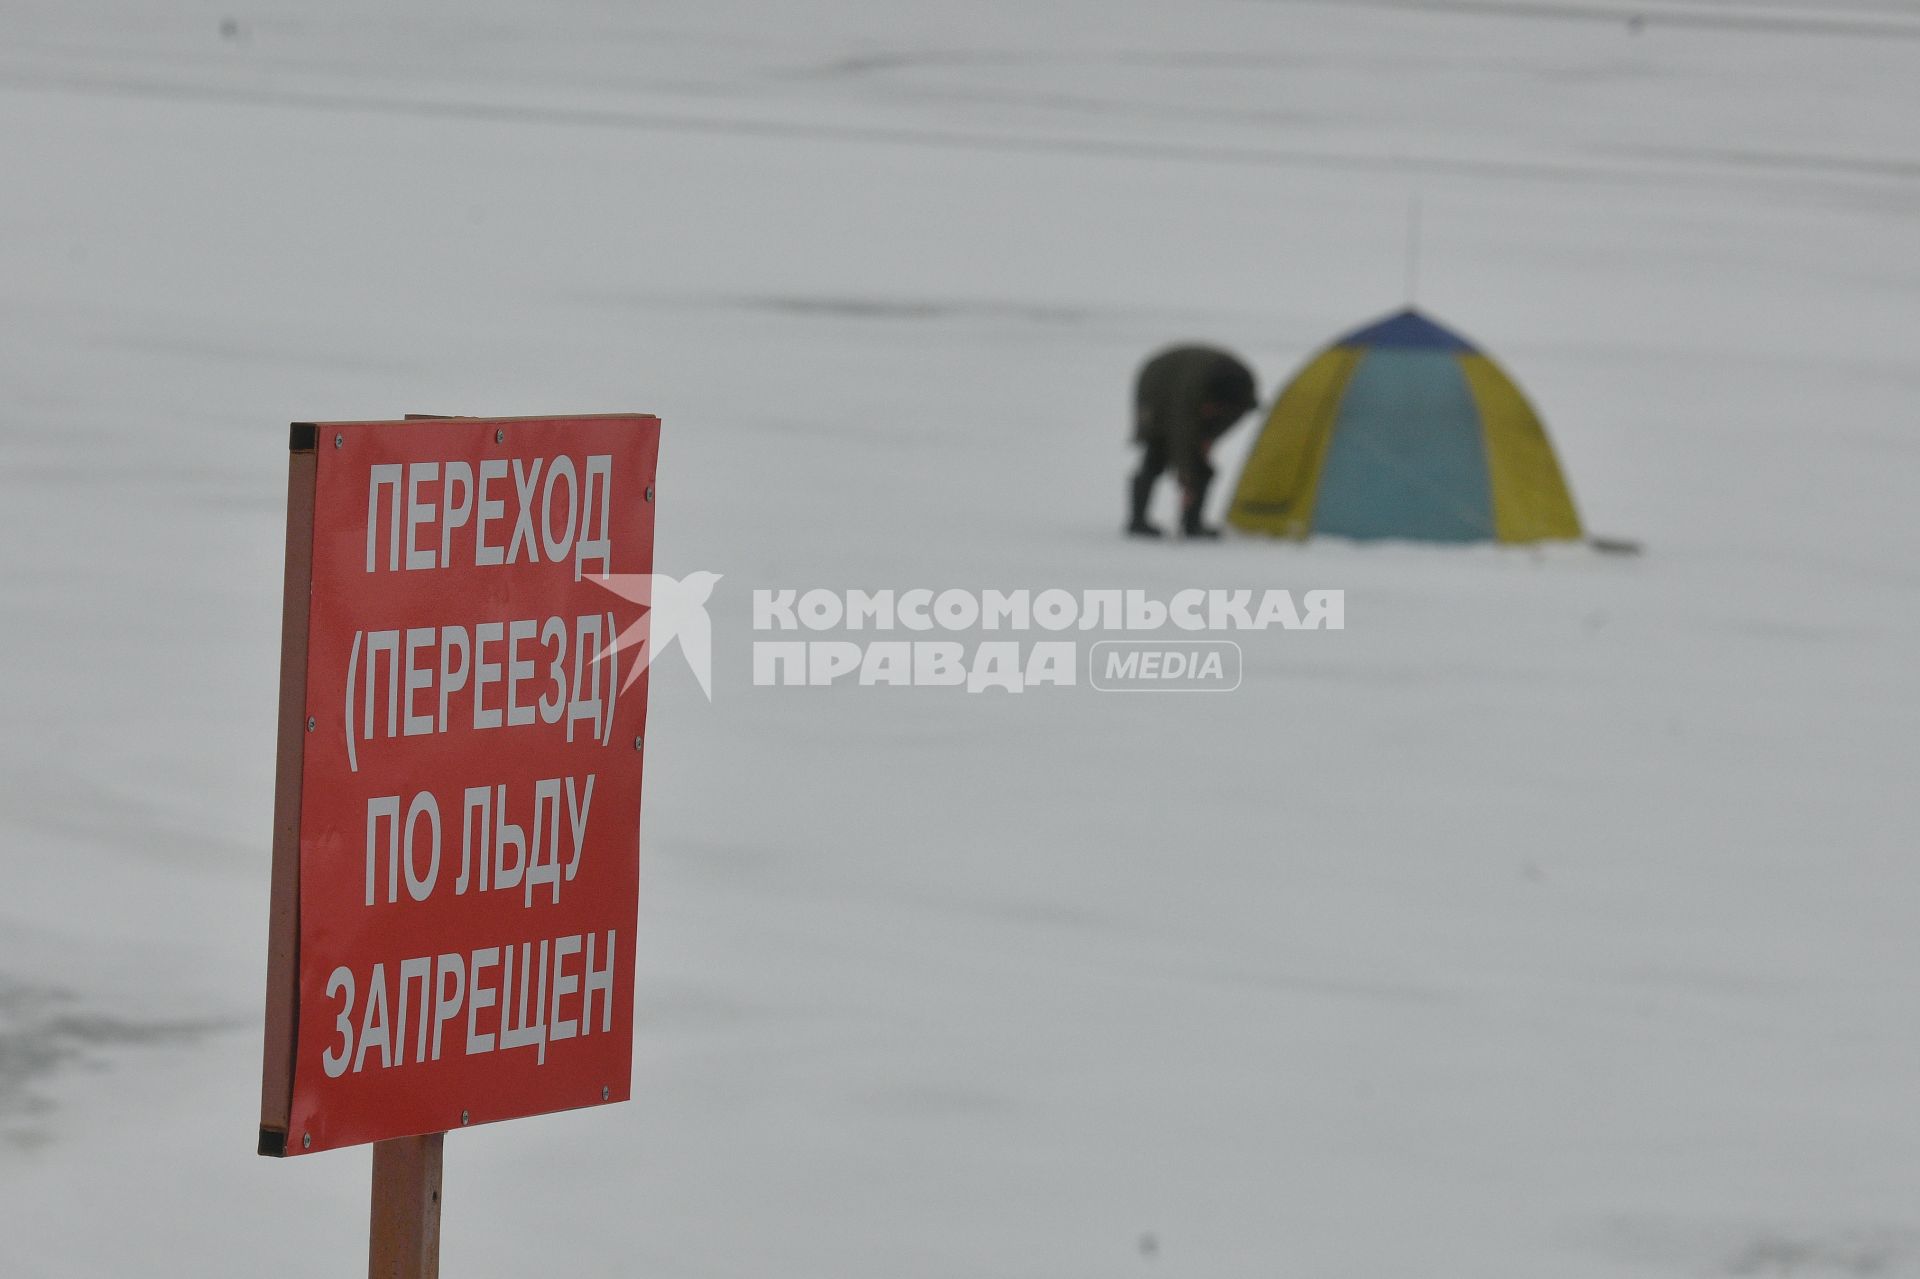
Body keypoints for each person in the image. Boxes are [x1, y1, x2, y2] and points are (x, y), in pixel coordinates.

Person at [1128, 344, 1259, 539]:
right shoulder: (1188, 395)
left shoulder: (1241, 393)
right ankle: (1138, 521)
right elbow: (1180, 435)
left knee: (1200, 466)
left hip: (1192, 380)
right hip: (1158, 384)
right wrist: (1187, 475)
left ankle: (1192, 523)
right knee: (1157, 451)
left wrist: (1208, 439)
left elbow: (1221, 424)